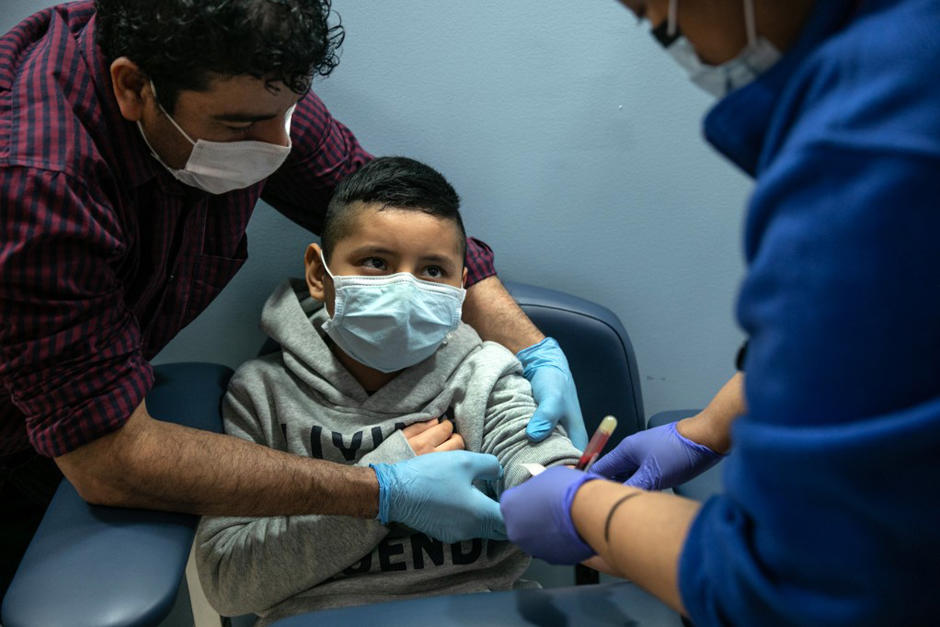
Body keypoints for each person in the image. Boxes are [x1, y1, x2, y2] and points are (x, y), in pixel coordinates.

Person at [0, 0, 587, 597]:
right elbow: (108, 458)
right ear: (133, 88)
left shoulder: (249, 84)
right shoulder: (37, 181)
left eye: (287, 112)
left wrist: (536, 356)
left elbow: (381, 206)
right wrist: (381, 489)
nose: (275, 146)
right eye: (239, 127)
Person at [501, 0, 940, 624]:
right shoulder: (907, 68)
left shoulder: (873, 144)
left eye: (651, 12)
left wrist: (590, 511)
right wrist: (706, 429)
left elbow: (791, 586)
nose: (665, 31)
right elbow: (885, 351)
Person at [193, 156, 581, 624]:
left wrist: (570, 494)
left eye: (432, 271)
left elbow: (534, 458)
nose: (405, 290)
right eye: (376, 263)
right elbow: (227, 582)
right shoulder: (262, 394)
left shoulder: (485, 372)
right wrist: (381, 484)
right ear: (318, 274)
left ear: (462, 288)